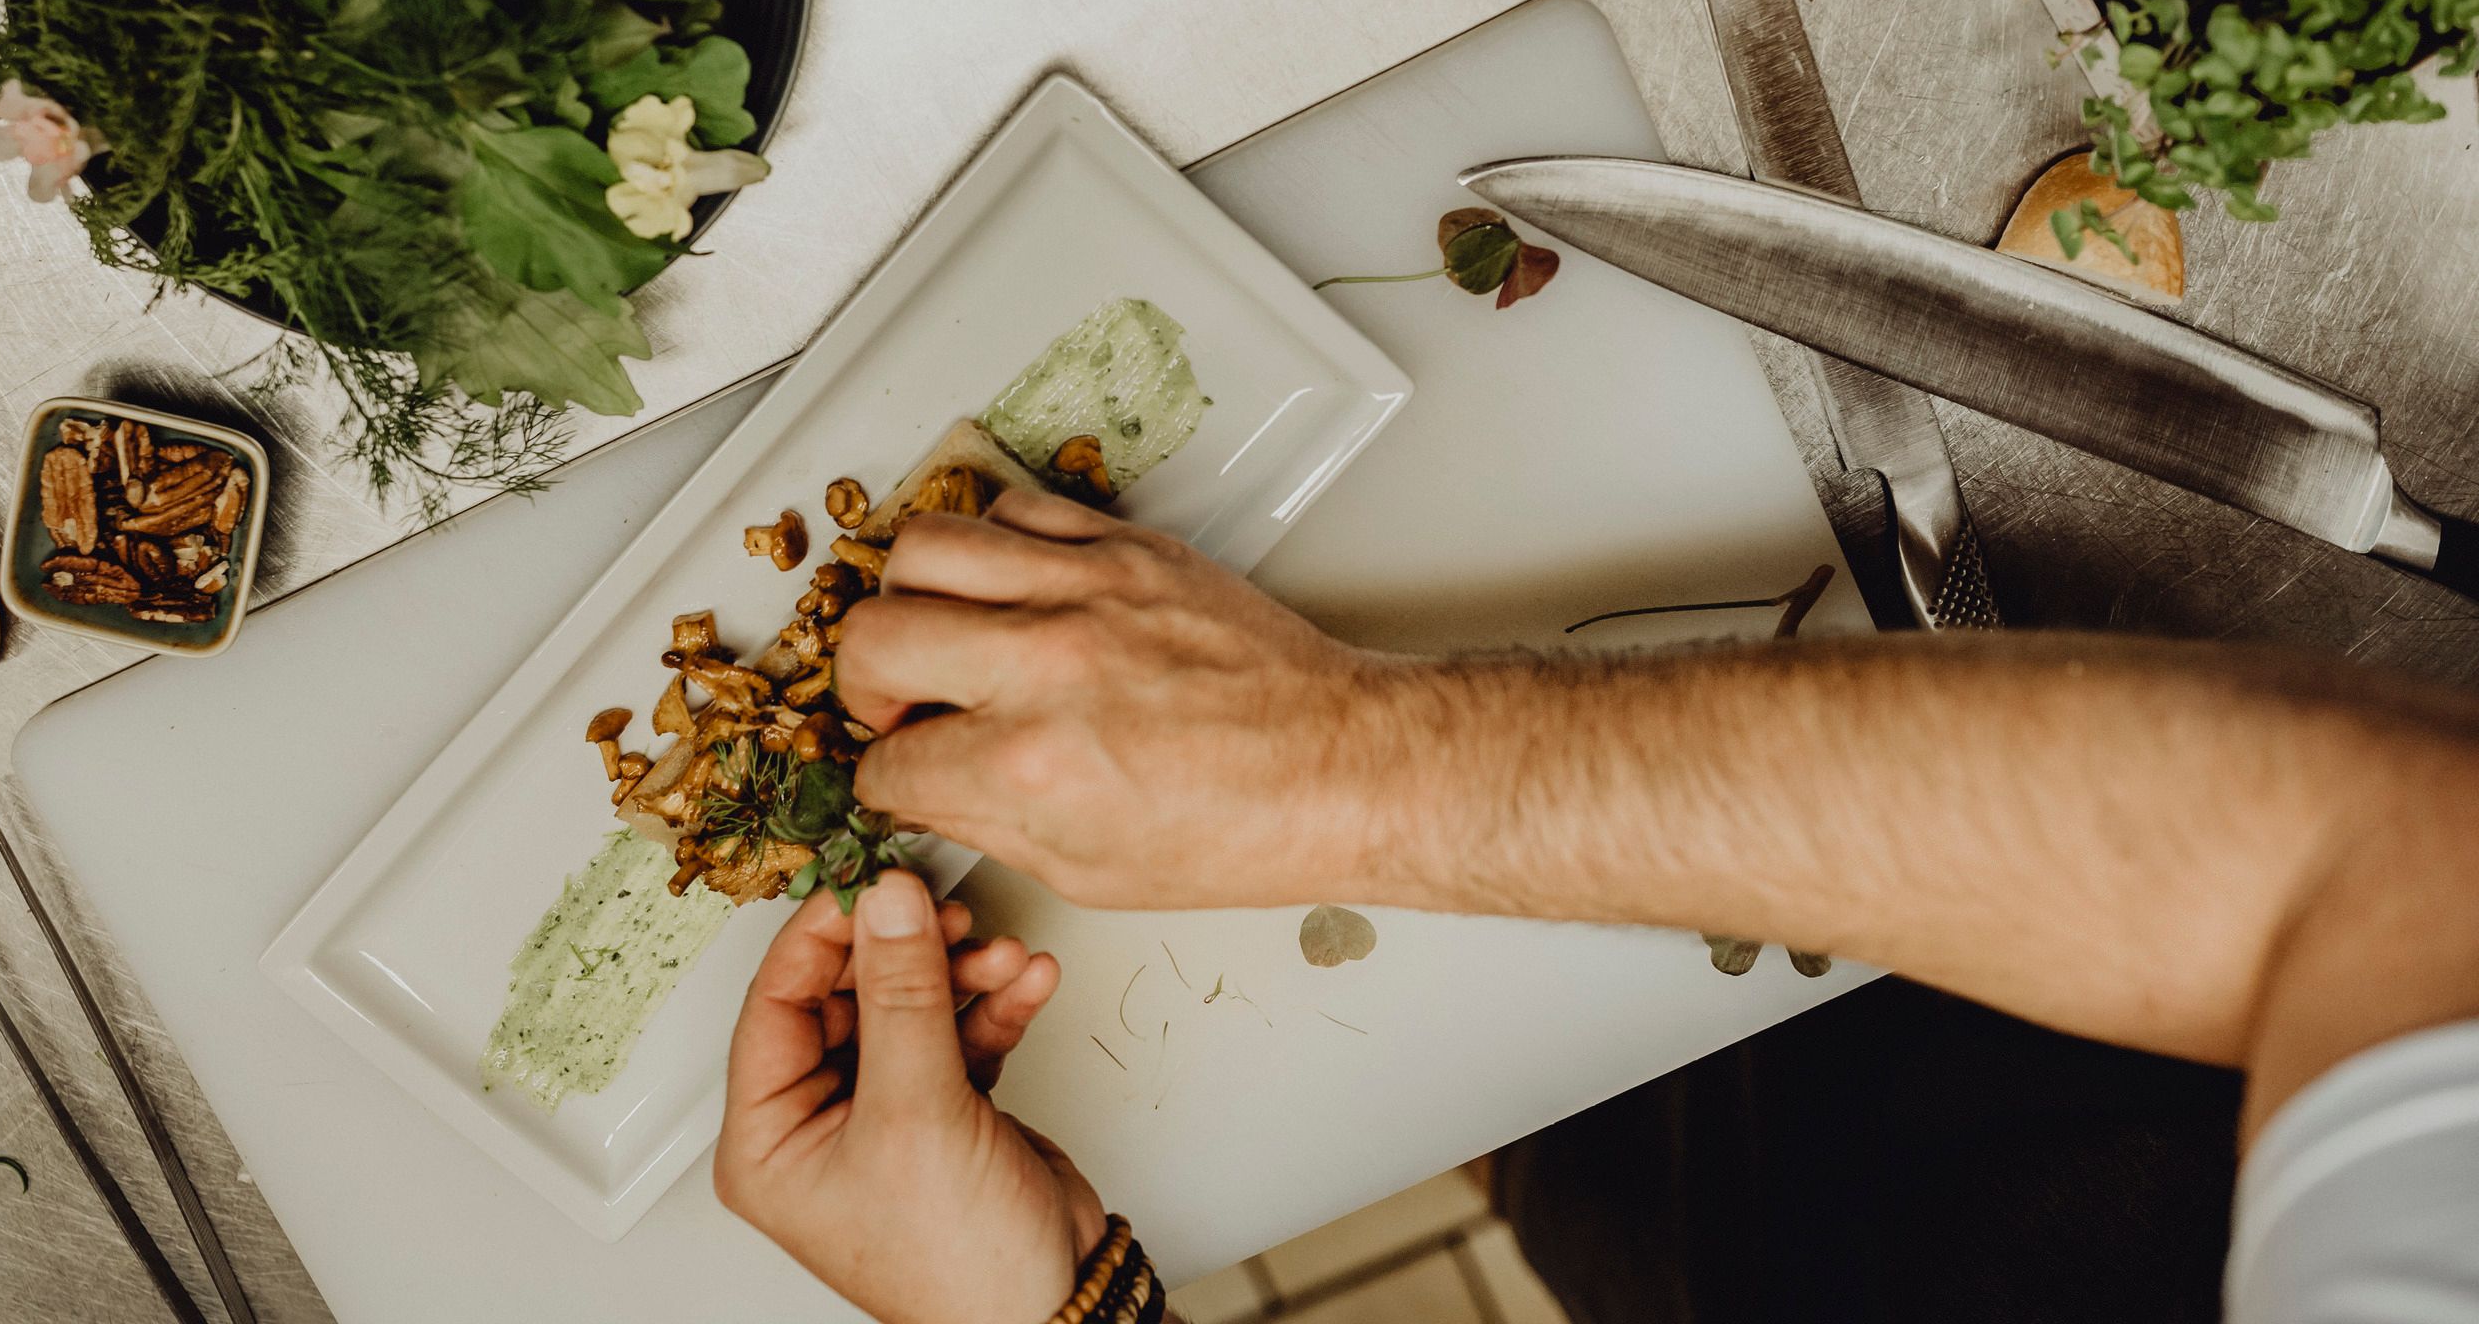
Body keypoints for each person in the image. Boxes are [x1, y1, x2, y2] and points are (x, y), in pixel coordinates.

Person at [714, 485, 2479, 1324]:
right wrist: (1340, 767)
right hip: (2148, 1088)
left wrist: (1063, 1316)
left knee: (1565, 1139)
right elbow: (2399, 854)